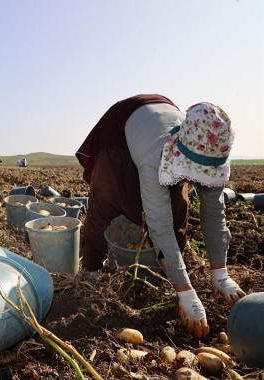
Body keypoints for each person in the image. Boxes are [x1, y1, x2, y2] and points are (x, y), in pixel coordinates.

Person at [75, 94, 246, 338]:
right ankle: (91, 271)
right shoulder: (155, 156)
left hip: (163, 121)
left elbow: (214, 215)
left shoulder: (211, 148)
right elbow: (160, 226)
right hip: (121, 132)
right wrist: (187, 293)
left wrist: (220, 274)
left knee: (178, 208)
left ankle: (170, 275)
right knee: (107, 196)